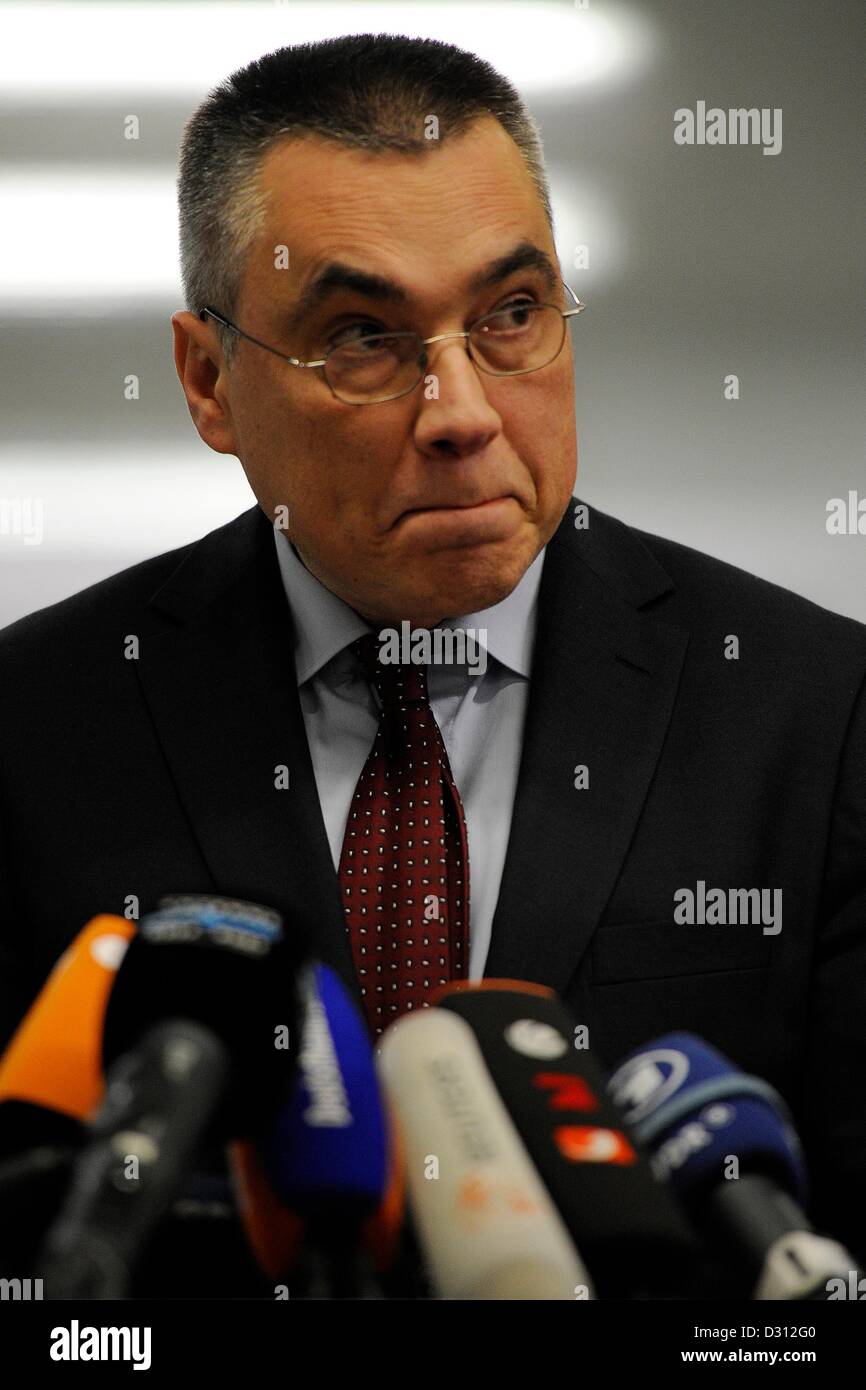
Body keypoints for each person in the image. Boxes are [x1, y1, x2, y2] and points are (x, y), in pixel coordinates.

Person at [1, 34, 864, 1270]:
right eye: (361, 337)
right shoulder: (38, 731)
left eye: (510, 316)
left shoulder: (816, 720)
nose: (461, 413)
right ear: (208, 380)